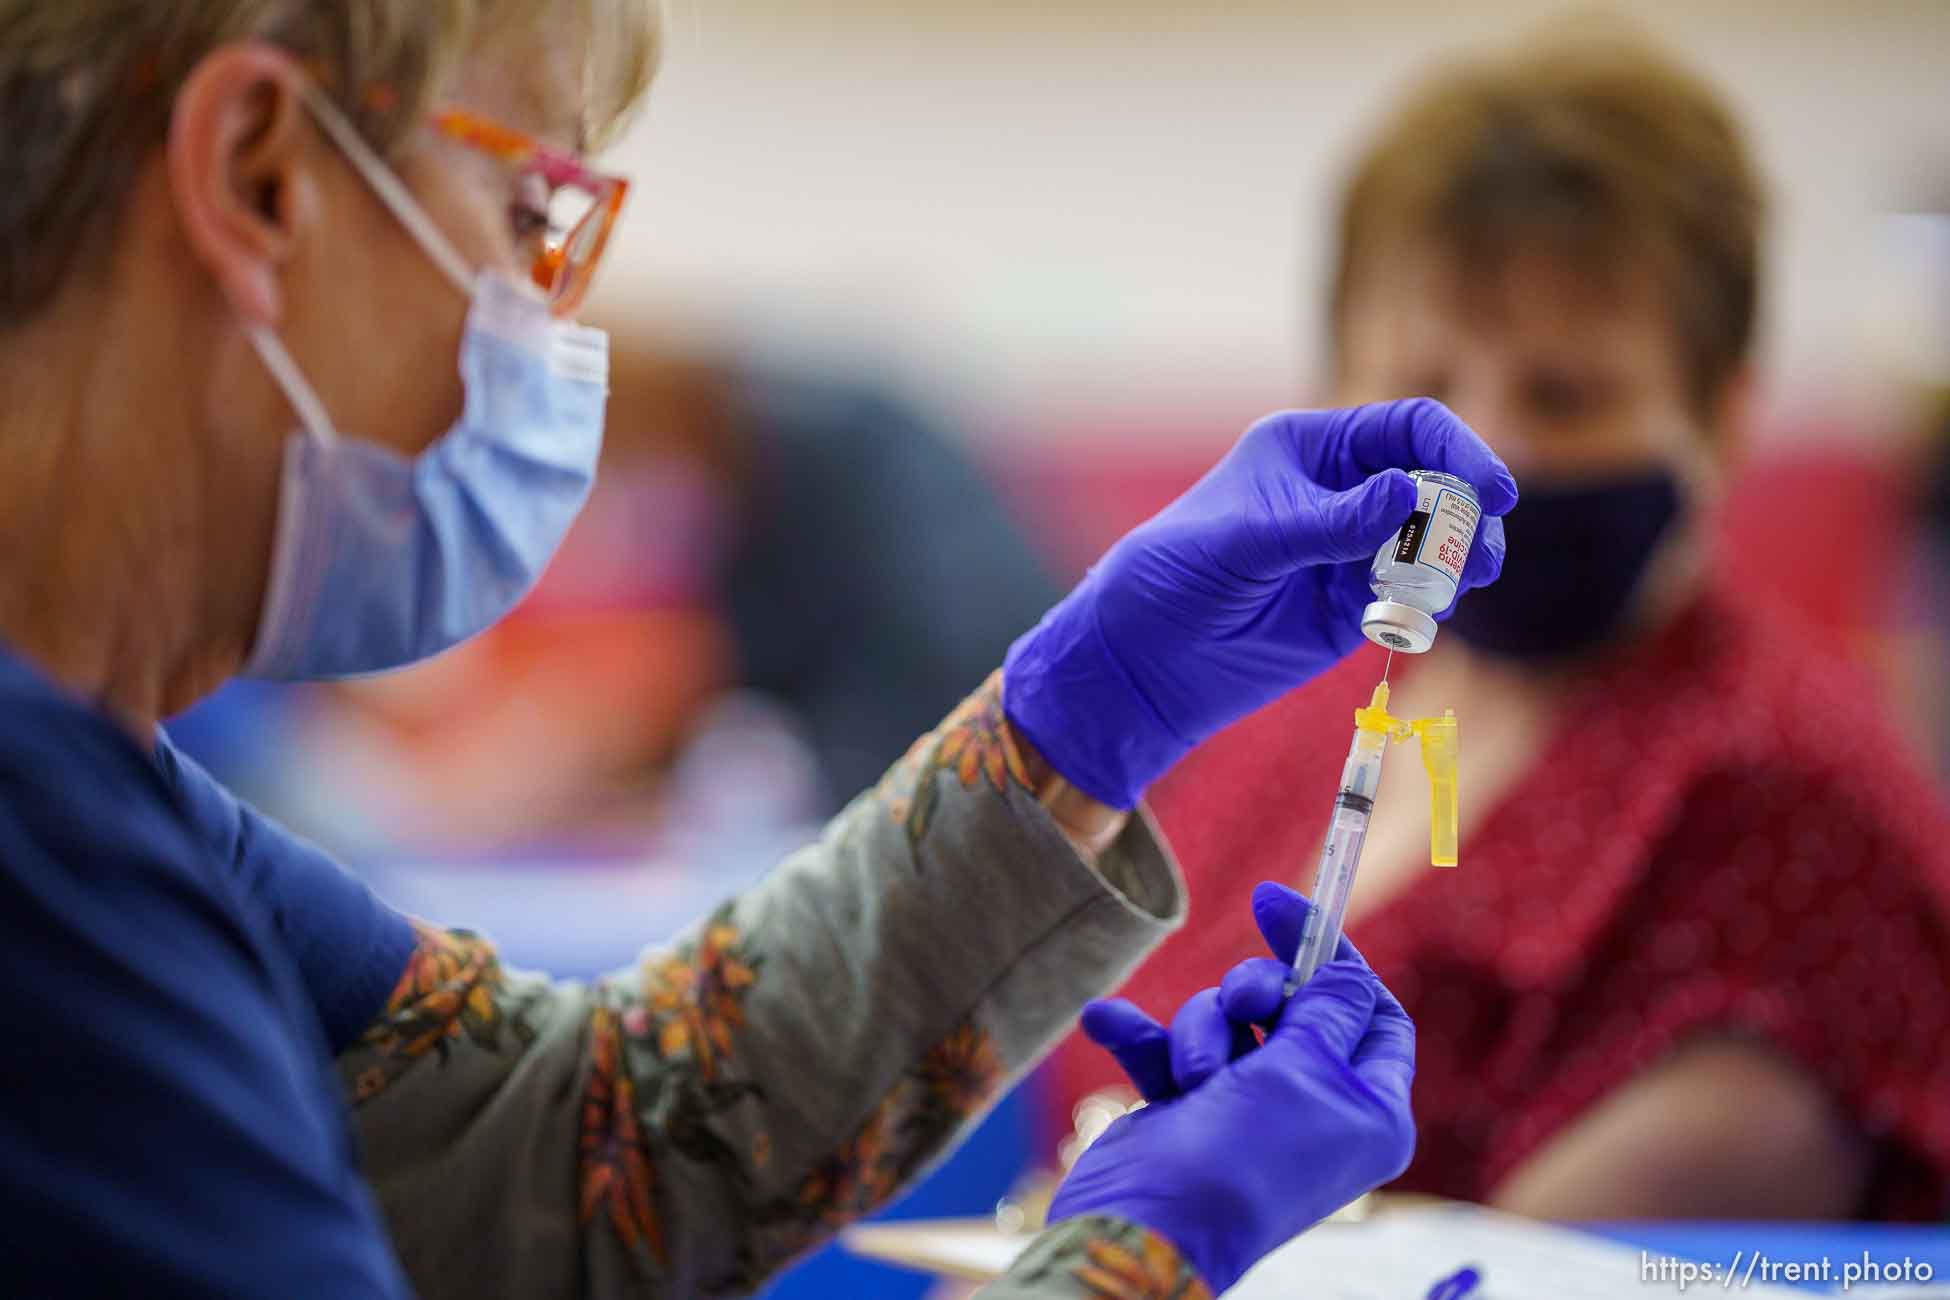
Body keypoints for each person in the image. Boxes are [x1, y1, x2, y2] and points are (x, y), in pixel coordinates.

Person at [0, 3, 1521, 1296]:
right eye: (530, 216)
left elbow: (585, 1143)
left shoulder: (109, 793)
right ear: (259, 176)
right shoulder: (38, 856)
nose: (543, 324)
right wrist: (1141, 1250)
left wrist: (1080, 724)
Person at [1052, 27, 1950, 1221]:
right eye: (1424, 385)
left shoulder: (1783, 805)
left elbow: (1540, 1266)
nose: (1480, 452)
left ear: (1723, 415)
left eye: (1563, 394)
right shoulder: (1301, 695)